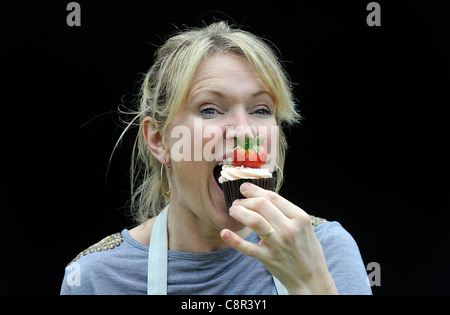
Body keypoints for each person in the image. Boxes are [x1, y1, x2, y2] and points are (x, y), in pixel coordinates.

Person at [60, 21, 372, 295]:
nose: (244, 131)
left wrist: (311, 287)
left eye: (261, 110)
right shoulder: (95, 277)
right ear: (158, 140)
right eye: (210, 109)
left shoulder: (326, 250)